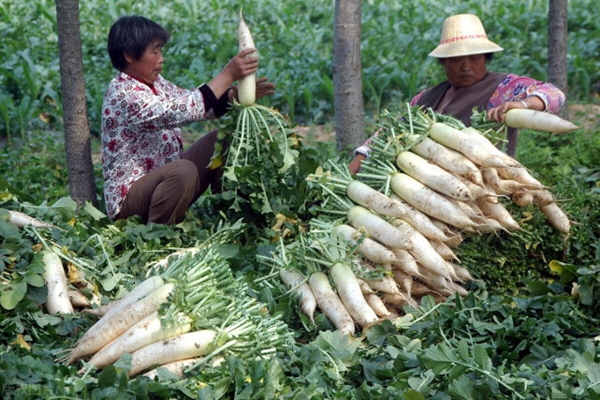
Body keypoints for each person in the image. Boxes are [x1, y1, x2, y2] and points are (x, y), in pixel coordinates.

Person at [101, 15, 275, 225]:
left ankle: (229, 216)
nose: (161, 58)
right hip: (131, 201)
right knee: (184, 170)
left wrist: (232, 97)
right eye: (154, 52)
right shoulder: (123, 94)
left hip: (166, 184)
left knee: (223, 139)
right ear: (129, 55)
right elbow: (181, 111)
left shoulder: (156, 83)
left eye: (161, 51)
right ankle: (156, 235)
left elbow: (190, 101)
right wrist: (227, 74)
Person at [349, 13, 565, 174]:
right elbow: (389, 133)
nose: (466, 67)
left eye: (474, 58)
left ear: (486, 59)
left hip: (485, 185)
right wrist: (357, 163)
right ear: (443, 62)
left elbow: (554, 94)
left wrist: (524, 105)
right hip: (427, 191)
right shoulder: (425, 98)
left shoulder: (502, 87)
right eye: (455, 60)